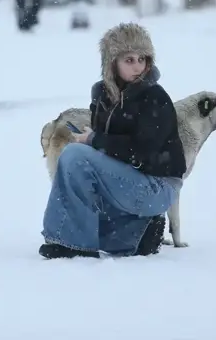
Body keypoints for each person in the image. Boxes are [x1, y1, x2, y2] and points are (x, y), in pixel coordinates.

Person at [39, 22, 187, 259]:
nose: (138, 66)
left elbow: (144, 152)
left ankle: (72, 243)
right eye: (129, 60)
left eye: (142, 59)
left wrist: (95, 140)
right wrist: (93, 142)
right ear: (112, 63)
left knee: (75, 156)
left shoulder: (154, 97)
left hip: (158, 186)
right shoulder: (102, 96)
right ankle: (137, 234)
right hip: (130, 179)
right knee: (82, 194)